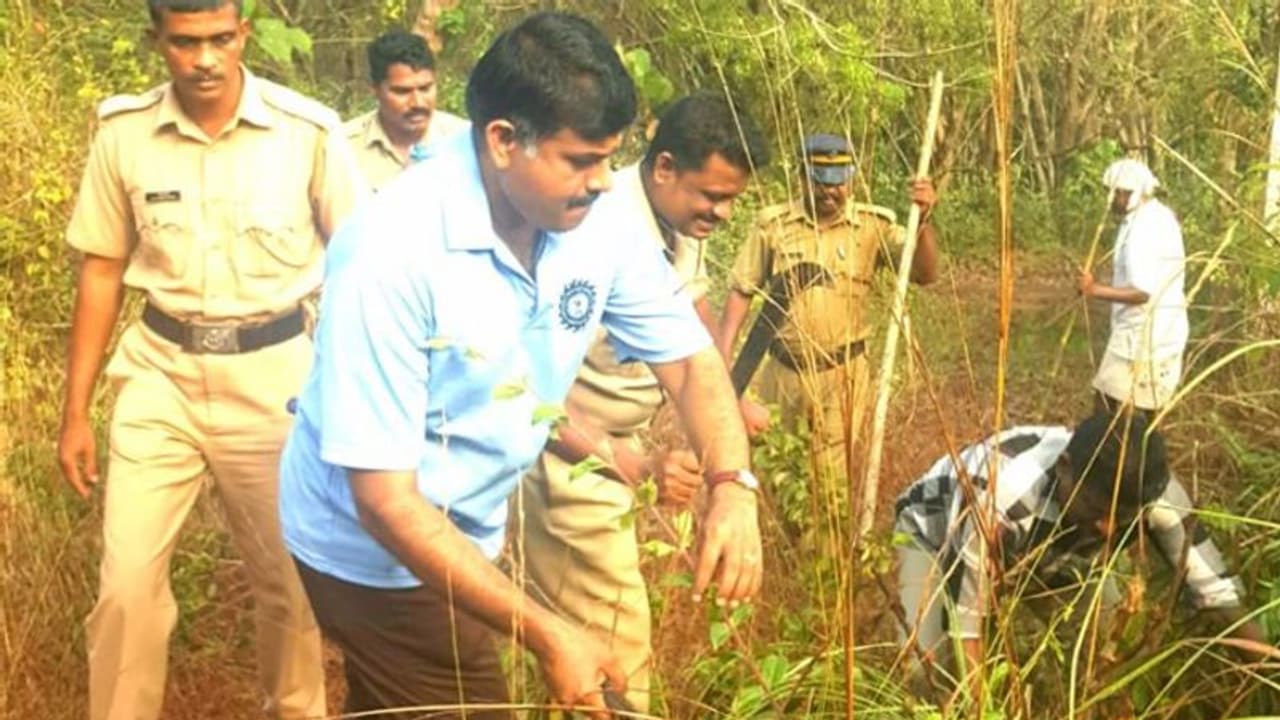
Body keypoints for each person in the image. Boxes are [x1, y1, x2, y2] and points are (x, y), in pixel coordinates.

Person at [277, 13, 763, 719]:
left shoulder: (595, 226)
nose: (602, 183)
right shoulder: (391, 254)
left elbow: (689, 363)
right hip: (371, 556)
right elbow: (384, 500)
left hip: (465, 519)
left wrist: (732, 483)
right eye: (580, 160)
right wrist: (544, 631)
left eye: (610, 159)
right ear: (503, 140)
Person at [55, 1, 364, 718]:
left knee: (290, 587)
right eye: (185, 42)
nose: (204, 60)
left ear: (244, 36)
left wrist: (353, 398)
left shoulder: (306, 132)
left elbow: (361, 268)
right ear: (156, 41)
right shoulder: (125, 135)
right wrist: (75, 414)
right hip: (160, 374)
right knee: (126, 586)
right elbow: (101, 269)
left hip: (275, 374)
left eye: (221, 39)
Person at [517, 90, 771, 711]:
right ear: (664, 169)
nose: (722, 213)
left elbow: (689, 328)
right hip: (569, 454)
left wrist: (726, 414)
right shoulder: (584, 224)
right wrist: (626, 463)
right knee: (617, 652)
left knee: (581, 652)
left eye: (732, 199)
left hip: (615, 447)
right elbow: (524, 389)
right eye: (712, 196)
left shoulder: (679, 219)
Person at [893, 411, 1263, 699]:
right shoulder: (1002, 498)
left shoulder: (1153, 495)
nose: (1106, 529)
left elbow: (1217, 593)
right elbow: (966, 624)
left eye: (1121, 518)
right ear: (1066, 468)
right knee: (926, 671)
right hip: (935, 532)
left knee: (1107, 639)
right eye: (1096, 507)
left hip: (1049, 546)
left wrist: (1270, 676)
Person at [718, 133, 938, 526]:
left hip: (843, 378)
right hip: (781, 374)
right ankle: (783, 565)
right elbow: (740, 292)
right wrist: (724, 371)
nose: (829, 191)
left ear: (851, 179)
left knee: (829, 484)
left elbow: (924, 273)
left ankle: (824, 564)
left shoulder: (874, 226)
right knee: (776, 476)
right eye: (818, 180)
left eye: (837, 181)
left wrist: (924, 220)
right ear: (802, 178)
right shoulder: (774, 225)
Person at [1078, 158, 1187, 418]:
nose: (1113, 199)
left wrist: (1094, 290)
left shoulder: (1143, 227)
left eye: (1117, 193)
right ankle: (1137, 457)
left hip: (1141, 336)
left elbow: (1142, 291)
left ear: (1130, 194)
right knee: (1143, 414)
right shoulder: (1158, 216)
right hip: (1162, 332)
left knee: (1107, 407)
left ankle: (1110, 457)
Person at [344, 28, 469, 190]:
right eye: (402, 91)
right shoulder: (343, 148)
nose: (417, 103)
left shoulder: (466, 141)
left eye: (425, 88)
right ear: (375, 90)